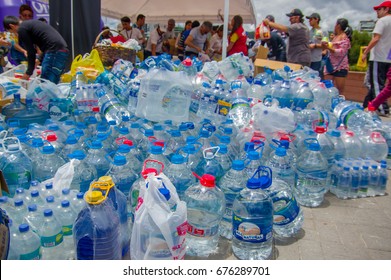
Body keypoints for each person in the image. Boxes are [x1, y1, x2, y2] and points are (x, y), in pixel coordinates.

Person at [3, 16, 69, 84]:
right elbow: (47, 45)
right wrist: (38, 60)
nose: (13, 33)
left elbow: (31, 52)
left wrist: (28, 73)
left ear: (12, 26)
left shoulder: (22, 29)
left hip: (54, 52)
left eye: (10, 31)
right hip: (61, 50)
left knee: (46, 83)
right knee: (53, 83)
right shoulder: (29, 25)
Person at [362, 1, 391, 115]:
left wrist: (366, 51)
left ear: (386, 9)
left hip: (378, 57)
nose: (377, 12)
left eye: (379, 9)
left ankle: (382, 109)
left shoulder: (382, 21)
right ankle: (367, 105)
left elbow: (376, 38)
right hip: (389, 57)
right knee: (380, 84)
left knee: (377, 84)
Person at [322, 18, 352, 95]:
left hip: (340, 67)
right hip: (330, 66)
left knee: (339, 90)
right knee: (327, 87)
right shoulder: (335, 37)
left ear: (338, 26)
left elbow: (341, 52)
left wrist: (329, 48)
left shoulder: (344, 37)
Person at [306, 12, 328, 78]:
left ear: (316, 19)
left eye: (311, 19)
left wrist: (315, 45)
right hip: (308, 59)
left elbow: (326, 45)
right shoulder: (309, 32)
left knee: (315, 78)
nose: (309, 21)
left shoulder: (323, 31)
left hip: (317, 59)